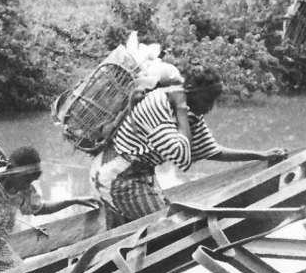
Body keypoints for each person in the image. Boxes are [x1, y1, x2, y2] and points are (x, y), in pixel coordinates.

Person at [91, 68, 286, 227]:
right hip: (116, 177)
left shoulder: (191, 112)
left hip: (139, 175)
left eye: (214, 101)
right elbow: (182, 160)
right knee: (167, 227)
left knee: (164, 221)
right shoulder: (158, 104)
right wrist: (181, 109)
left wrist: (261, 155)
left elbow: (211, 150)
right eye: (207, 100)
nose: (210, 107)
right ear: (190, 90)